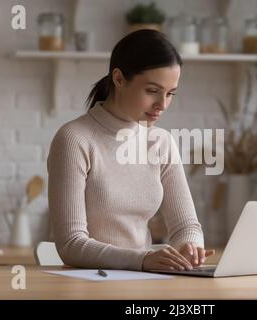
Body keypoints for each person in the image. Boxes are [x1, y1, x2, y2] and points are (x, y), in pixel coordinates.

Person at [47, 29, 214, 272]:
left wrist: (190, 246)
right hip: (89, 285)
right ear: (119, 78)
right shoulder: (74, 139)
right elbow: (71, 244)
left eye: (170, 94)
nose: (163, 105)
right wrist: (142, 260)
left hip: (144, 281)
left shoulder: (161, 142)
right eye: (152, 91)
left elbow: (186, 226)